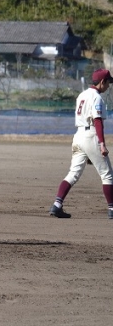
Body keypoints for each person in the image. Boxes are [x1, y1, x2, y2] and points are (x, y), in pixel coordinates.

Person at [49, 68, 113, 219]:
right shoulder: (97, 97)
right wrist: (101, 144)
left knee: (73, 173)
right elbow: (97, 121)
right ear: (102, 82)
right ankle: (112, 208)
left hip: (78, 136)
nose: (109, 86)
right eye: (108, 82)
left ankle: (57, 205)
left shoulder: (82, 95)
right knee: (107, 175)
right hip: (91, 135)